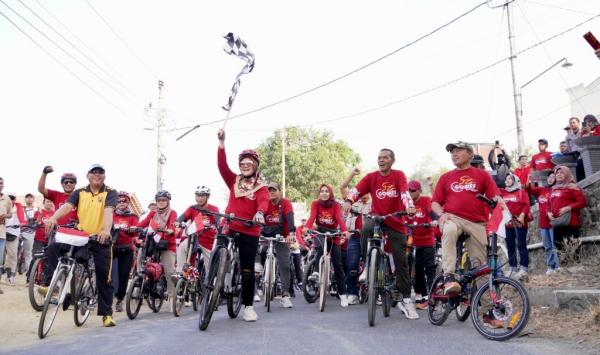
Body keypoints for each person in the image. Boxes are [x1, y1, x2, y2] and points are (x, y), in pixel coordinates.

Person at [344, 148, 419, 319]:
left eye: (385, 158)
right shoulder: (371, 177)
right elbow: (356, 190)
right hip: (377, 217)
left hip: (395, 220)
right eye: (379, 158)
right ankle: (366, 265)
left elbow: (404, 193)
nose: (381, 160)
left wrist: (409, 206)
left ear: (392, 160)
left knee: (401, 261)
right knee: (366, 227)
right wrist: (348, 201)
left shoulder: (398, 175)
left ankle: (407, 300)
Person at [45, 164, 118, 327]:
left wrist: (106, 230)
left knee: (104, 275)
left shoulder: (111, 192)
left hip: (100, 239)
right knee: (53, 248)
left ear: (104, 176)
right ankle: (55, 287)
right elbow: (67, 207)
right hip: (82, 236)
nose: (97, 175)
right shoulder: (79, 192)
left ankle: (106, 314)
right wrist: (53, 218)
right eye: (94, 172)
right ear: (88, 175)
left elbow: (108, 211)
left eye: (100, 173)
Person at [431, 142, 503, 297]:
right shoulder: (446, 177)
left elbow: (495, 196)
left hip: (477, 222)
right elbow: (435, 202)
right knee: (449, 229)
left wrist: (506, 211)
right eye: (452, 152)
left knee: (481, 266)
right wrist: (441, 214)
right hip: (453, 218)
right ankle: (448, 277)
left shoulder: (482, 175)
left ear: (470, 154)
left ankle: (487, 307)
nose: (454, 154)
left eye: (458, 151)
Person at [217, 129, 269, 322]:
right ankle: (215, 281)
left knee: (247, 269)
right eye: (242, 164)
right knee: (219, 248)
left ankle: (248, 306)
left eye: (249, 164)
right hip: (230, 225)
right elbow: (222, 166)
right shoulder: (234, 180)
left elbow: (263, 201)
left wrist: (260, 213)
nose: (245, 166)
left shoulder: (261, 186)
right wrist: (222, 144)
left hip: (250, 229)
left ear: (255, 165)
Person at [305, 184, 349, 307]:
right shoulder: (315, 204)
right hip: (320, 231)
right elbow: (312, 217)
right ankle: (317, 272)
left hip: (334, 233)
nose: (324, 193)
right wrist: (306, 227)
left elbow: (339, 218)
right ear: (319, 193)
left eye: (326, 191)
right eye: (322, 191)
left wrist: (344, 230)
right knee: (318, 249)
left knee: (338, 264)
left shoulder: (335, 205)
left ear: (330, 193)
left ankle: (342, 294)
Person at [137, 190, 178, 310]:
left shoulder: (172, 213)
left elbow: (172, 224)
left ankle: (171, 297)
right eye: (159, 200)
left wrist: (170, 229)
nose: (161, 202)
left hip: (167, 244)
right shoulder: (152, 213)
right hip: (153, 243)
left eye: (164, 200)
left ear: (168, 201)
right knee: (141, 254)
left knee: (169, 271)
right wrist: (134, 228)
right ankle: (141, 276)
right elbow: (143, 223)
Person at [261, 182, 296, 308]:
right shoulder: (264, 202)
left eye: (274, 190)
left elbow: (290, 217)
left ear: (279, 191)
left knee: (284, 264)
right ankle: (259, 275)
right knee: (260, 252)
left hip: (282, 236)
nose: (271, 193)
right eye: (269, 190)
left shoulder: (285, 203)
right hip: (266, 234)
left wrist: (291, 232)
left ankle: (285, 295)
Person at [340, 167, 371, 306]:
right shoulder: (352, 201)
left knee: (370, 264)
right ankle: (352, 293)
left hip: (370, 238)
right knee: (352, 265)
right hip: (354, 237)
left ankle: (375, 293)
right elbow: (342, 187)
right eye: (361, 192)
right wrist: (352, 174)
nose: (363, 194)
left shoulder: (375, 203)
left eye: (366, 192)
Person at [406, 180, 437, 310]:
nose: (410, 193)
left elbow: (431, 211)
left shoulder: (425, 200)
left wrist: (434, 220)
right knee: (417, 270)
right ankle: (422, 296)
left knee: (429, 269)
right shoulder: (407, 204)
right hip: (414, 242)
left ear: (419, 191)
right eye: (409, 190)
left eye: (413, 190)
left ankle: (433, 295)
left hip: (428, 241)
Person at [176, 186, 219, 275]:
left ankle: (210, 284)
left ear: (207, 197)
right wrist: (178, 222)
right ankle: (180, 273)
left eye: (202, 196)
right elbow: (183, 217)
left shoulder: (214, 209)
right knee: (182, 247)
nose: (199, 198)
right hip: (193, 239)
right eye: (198, 196)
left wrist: (216, 226)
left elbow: (218, 221)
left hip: (208, 242)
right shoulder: (192, 208)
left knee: (210, 267)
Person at [111, 191, 139, 313]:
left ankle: (119, 300)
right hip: (111, 246)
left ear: (128, 202)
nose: (121, 203)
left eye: (124, 201)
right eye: (119, 201)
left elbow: (136, 231)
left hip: (126, 248)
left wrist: (130, 230)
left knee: (123, 276)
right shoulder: (110, 213)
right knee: (104, 272)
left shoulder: (133, 216)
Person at [548, 166, 586, 253]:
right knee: (558, 244)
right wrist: (548, 212)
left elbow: (582, 202)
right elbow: (548, 203)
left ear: (567, 174)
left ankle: (575, 265)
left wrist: (568, 207)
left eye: (562, 173)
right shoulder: (554, 188)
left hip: (571, 221)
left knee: (572, 244)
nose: (559, 175)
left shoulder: (572, 187)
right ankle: (564, 265)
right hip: (557, 222)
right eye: (557, 173)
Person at [528, 173, 561, 275]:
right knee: (547, 246)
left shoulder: (557, 190)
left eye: (553, 177)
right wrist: (530, 182)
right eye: (549, 177)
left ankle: (558, 266)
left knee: (555, 245)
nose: (551, 179)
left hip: (553, 222)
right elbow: (529, 190)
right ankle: (550, 266)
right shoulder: (542, 189)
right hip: (543, 224)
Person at [501, 174, 530, 279]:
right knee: (510, 246)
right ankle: (512, 267)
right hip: (507, 224)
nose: (507, 180)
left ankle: (523, 268)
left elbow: (526, 205)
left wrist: (522, 215)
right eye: (506, 179)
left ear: (515, 180)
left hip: (519, 222)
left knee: (521, 245)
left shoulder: (521, 192)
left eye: (510, 179)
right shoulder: (503, 193)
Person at [4, 193, 26, 285]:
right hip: (1, 232)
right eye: (9, 198)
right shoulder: (2, 205)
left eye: (13, 198)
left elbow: (22, 218)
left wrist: (22, 223)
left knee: (12, 255)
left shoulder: (18, 206)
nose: (11, 200)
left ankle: (11, 276)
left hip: (13, 233)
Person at [21, 193, 37, 275]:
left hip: (30, 232)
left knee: (28, 252)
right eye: (27, 197)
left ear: (33, 199)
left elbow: (38, 220)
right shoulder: (21, 209)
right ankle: (12, 271)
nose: (29, 199)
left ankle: (28, 270)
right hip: (19, 230)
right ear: (25, 199)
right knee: (15, 251)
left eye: (31, 197)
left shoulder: (36, 210)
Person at [0, 178, 11, 293]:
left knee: (0, 260)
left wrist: (5, 216)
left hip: (1, 233)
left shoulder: (7, 199)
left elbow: (10, 213)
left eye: (1, 183)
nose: (0, 185)